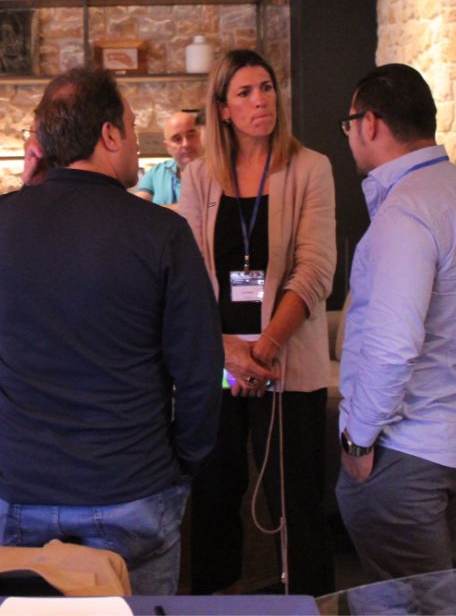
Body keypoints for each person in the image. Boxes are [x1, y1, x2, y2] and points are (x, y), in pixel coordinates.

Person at [0, 67, 223, 595]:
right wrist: (184, 462)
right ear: (109, 135)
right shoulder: (163, 232)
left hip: (21, 487)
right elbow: (199, 370)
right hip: (131, 486)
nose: (136, 144)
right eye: (131, 128)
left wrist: (33, 181)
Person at [178, 49, 337, 595]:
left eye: (266, 87)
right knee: (213, 498)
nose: (260, 100)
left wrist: (262, 351)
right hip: (217, 365)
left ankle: (311, 605)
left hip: (285, 364)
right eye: (244, 92)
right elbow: (189, 276)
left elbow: (315, 270)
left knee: (297, 504)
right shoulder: (199, 176)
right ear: (222, 109)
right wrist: (229, 353)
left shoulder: (311, 167)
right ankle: (213, 605)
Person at [335, 63, 456, 581]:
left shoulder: (407, 211)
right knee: (444, 595)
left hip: (402, 452)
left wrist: (359, 441)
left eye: (349, 124)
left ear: (369, 123)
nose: (349, 136)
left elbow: (392, 347)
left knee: (410, 603)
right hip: (448, 442)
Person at [133, 110, 202, 207]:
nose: (186, 144)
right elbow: (138, 206)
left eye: (191, 135)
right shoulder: (156, 173)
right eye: (177, 139)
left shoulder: (216, 171)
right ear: (168, 147)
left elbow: (211, 205)